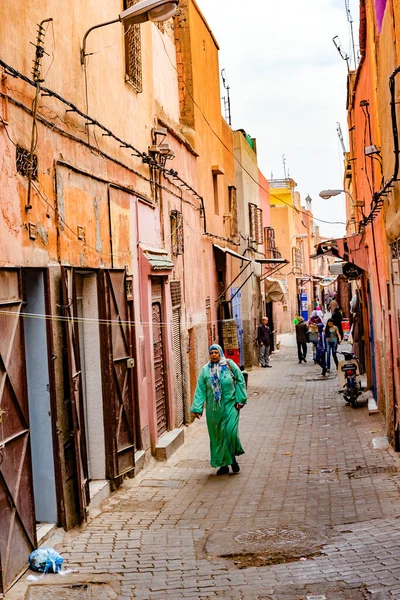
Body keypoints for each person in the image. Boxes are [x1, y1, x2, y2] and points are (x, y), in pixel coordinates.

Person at [190, 344, 247, 475]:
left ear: (220, 353)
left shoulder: (229, 365)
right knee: (218, 436)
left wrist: (240, 398)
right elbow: (200, 389)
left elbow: (240, 380)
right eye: (212, 353)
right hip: (214, 409)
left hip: (231, 405)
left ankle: (232, 459)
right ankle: (224, 465)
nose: (214, 355)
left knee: (230, 433)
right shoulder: (205, 370)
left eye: (216, 352)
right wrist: (197, 408)